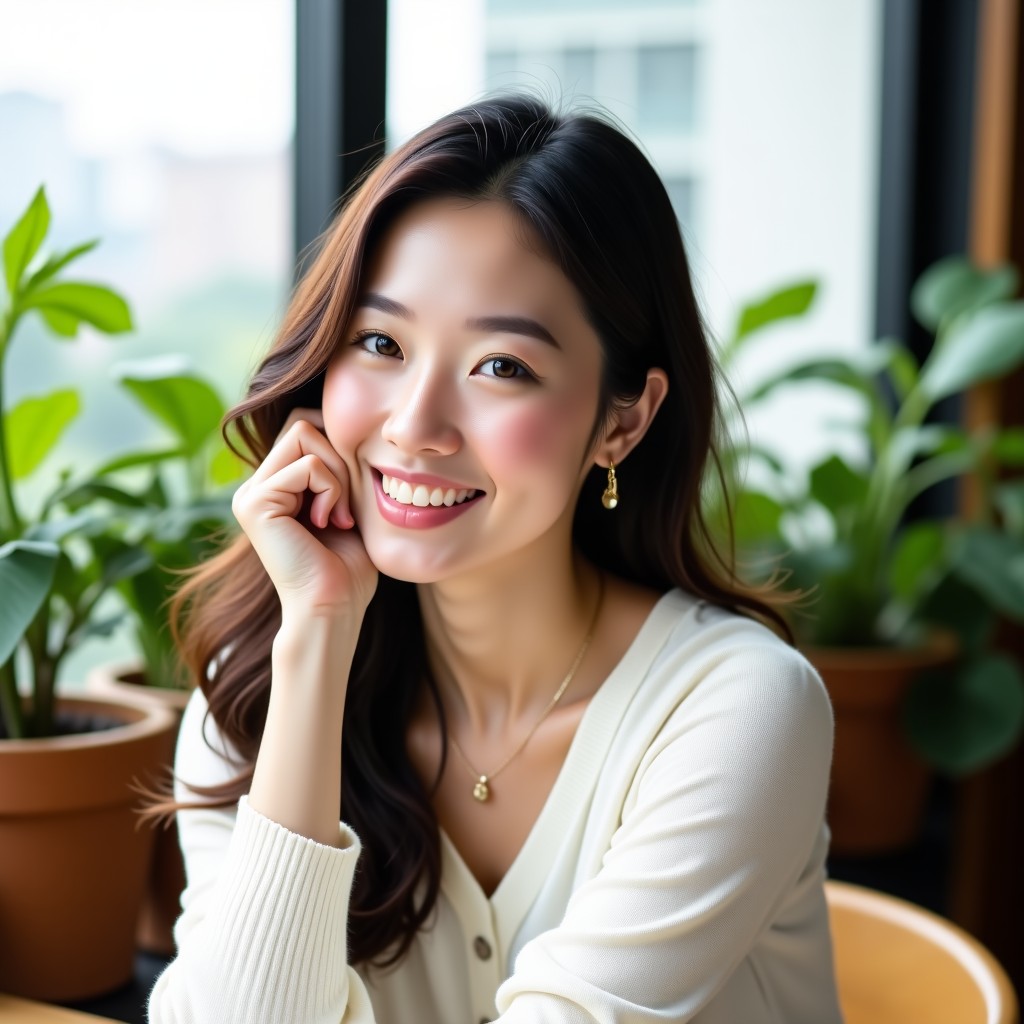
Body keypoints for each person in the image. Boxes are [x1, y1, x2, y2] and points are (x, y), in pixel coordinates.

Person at [147, 95, 842, 1023]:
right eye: (381, 343)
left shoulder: (737, 711)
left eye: (501, 366)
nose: (414, 427)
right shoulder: (256, 694)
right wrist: (314, 639)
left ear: (622, 421)